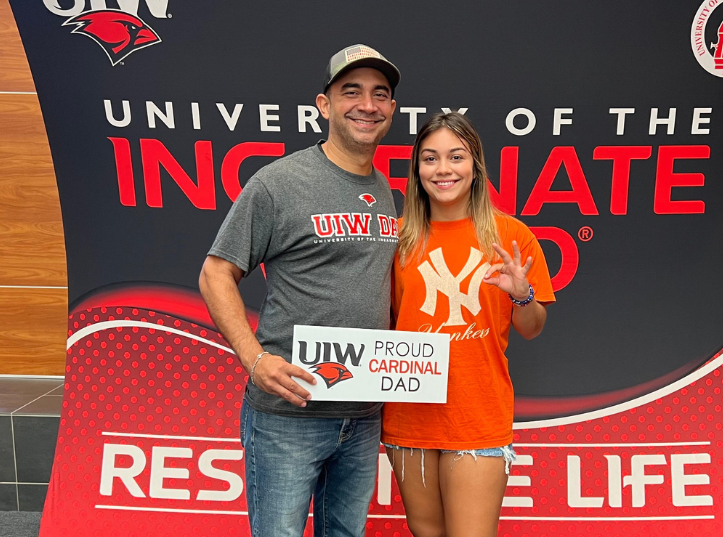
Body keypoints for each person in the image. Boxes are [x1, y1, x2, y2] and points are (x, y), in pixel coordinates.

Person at [199, 44, 400, 537]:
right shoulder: (278, 183)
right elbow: (215, 273)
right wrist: (254, 359)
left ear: (392, 109)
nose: (367, 105)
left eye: (380, 94)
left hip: (362, 413)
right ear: (324, 105)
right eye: (351, 92)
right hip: (291, 413)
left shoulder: (387, 191)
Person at [381, 112, 555, 537]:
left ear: (476, 165)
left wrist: (521, 294)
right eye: (430, 158)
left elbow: (532, 327)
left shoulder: (510, 236)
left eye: (456, 157)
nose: (443, 169)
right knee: (426, 531)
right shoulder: (397, 239)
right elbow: (382, 323)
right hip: (410, 415)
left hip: (477, 413)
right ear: (416, 169)